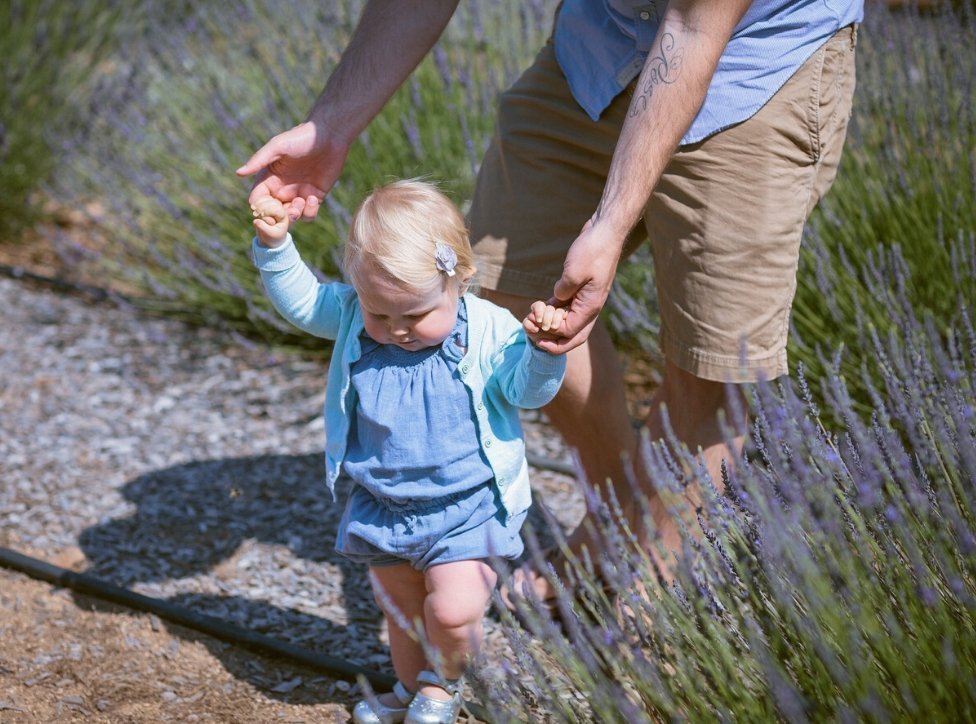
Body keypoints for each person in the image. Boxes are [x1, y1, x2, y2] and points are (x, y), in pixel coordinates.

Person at [237, 0, 863, 608]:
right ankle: (617, 516)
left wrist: (610, 225)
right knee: (510, 289)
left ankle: (648, 597)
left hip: (752, 70)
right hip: (600, 50)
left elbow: (696, 29)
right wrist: (332, 125)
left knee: (710, 363)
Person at [249, 179, 567, 723]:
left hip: (466, 506)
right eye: (381, 313)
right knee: (400, 614)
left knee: (454, 607)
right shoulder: (354, 317)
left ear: (461, 280)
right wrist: (276, 247)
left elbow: (527, 393)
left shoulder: (488, 331)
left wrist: (544, 354)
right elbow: (303, 303)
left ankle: (442, 687)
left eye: (415, 315)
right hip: (383, 503)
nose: (397, 330)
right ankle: (408, 689)